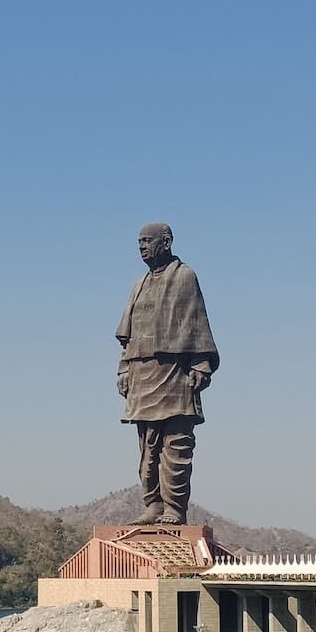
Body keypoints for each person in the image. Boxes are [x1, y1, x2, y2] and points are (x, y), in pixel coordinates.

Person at [115, 222, 219, 525]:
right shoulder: (139, 284)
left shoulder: (184, 276)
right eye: (139, 242)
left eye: (148, 241)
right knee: (148, 448)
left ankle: (174, 508)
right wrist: (124, 369)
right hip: (141, 373)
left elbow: (196, 321)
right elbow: (127, 337)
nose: (142, 246)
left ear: (167, 242)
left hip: (174, 373)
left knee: (175, 445)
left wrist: (201, 363)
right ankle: (154, 504)